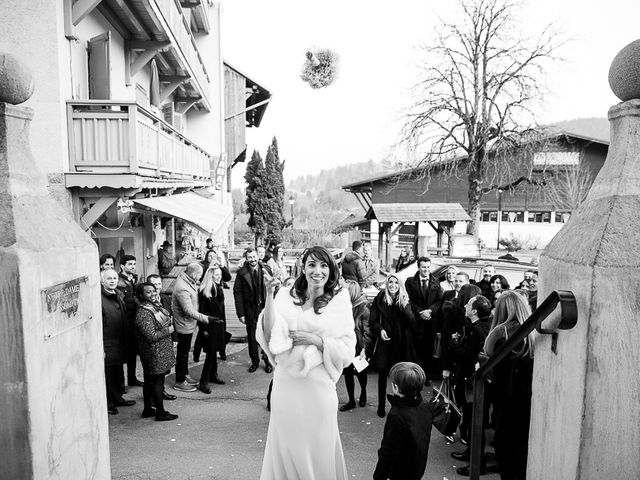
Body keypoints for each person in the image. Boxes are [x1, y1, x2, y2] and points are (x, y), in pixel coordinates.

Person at [256, 246, 356, 480]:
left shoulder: (339, 301)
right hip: (287, 387)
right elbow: (269, 335)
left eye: (323, 265)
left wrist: (318, 341)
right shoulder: (286, 295)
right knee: (286, 447)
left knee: (318, 449)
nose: (317, 271)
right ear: (303, 267)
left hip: (319, 390)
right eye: (311, 264)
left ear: (331, 270)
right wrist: (269, 298)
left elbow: (348, 349)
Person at [484, 291, 534, 480]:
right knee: (521, 455)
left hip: (509, 406)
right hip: (528, 403)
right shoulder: (532, 335)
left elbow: (499, 380)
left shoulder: (502, 336)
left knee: (507, 454)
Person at [450, 295, 497, 476]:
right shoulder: (480, 326)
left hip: (473, 385)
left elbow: (470, 356)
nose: (465, 305)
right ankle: (471, 454)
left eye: (469, 304)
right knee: (470, 420)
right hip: (472, 382)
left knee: (474, 422)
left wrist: (454, 345)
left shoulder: (478, 330)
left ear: (475, 311)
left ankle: (477, 463)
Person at [373, 362, 433, 480]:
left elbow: (389, 451)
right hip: (417, 467)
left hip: (400, 471)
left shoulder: (397, 415)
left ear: (395, 388)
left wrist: (379, 476)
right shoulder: (425, 405)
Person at [371, 273, 416, 418]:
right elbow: (373, 320)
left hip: (401, 342)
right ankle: (381, 406)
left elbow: (412, 321)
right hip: (385, 341)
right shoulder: (380, 298)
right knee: (383, 374)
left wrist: (403, 306)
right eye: (390, 282)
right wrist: (380, 330)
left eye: (396, 283)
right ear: (387, 283)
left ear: (400, 285)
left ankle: (398, 406)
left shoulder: (404, 299)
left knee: (399, 376)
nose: (393, 286)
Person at [134, 283, 178, 421]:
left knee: (149, 381)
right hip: (154, 353)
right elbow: (151, 335)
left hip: (159, 351)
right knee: (157, 382)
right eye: (148, 292)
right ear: (141, 296)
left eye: (153, 291)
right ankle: (160, 412)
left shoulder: (154, 306)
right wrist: (169, 330)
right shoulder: (143, 312)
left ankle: (148, 409)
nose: (152, 294)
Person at [171, 262, 213, 392]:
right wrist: (205, 318)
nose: (200, 277)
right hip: (184, 325)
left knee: (185, 351)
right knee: (183, 354)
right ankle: (179, 381)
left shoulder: (187, 280)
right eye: (199, 275)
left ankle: (185, 374)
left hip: (188, 324)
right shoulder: (182, 288)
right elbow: (188, 311)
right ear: (194, 274)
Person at [100, 269, 135, 415]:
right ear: (102, 281)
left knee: (117, 373)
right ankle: (108, 403)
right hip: (108, 343)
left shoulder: (118, 295)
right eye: (109, 278)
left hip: (119, 342)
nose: (113, 281)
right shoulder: (99, 299)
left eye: (114, 278)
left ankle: (117, 397)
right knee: (107, 375)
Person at [233, 247, 273, 373]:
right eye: (250, 257)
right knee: (252, 337)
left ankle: (267, 361)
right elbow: (237, 293)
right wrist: (241, 313)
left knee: (267, 336)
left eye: (254, 257)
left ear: (258, 256)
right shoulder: (241, 273)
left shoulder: (266, 269)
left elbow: (273, 288)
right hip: (250, 309)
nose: (252, 259)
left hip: (265, 308)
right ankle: (254, 362)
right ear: (246, 258)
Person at [404, 256, 443, 380]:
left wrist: (430, 311)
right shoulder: (410, 281)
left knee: (428, 349)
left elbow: (439, 300)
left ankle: (426, 375)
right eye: (423, 267)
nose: (426, 270)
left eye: (427, 267)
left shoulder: (436, 281)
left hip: (430, 321)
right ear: (418, 267)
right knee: (416, 349)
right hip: (416, 320)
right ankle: (415, 375)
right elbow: (410, 300)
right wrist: (421, 311)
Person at [339, 280, 374, 412]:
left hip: (359, 346)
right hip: (347, 344)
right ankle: (351, 400)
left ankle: (363, 391)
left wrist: (365, 348)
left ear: (351, 292)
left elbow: (367, 330)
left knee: (361, 372)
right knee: (347, 373)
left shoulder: (363, 307)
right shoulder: (343, 306)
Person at [197, 265, 232, 393]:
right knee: (210, 353)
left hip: (219, 325)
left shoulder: (217, 287)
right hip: (210, 326)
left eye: (220, 274)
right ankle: (203, 381)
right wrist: (204, 329)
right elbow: (201, 311)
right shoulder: (205, 290)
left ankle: (213, 375)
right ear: (210, 275)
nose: (219, 277)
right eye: (216, 274)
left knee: (215, 351)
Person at [146, 274, 177, 402]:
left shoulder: (165, 298)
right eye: (155, 285)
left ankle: (161, 391)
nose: (158, 287)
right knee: (154, 372)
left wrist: (175, 338)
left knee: (164, 369)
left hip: (166, 339)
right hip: (154, 341)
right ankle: (152, 397)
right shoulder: (146, 304)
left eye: (159, 284)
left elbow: (172, 319)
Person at [117, 254, 143, 388]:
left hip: (134, 319)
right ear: (122, 266)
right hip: (124, 321)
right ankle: (121, 384)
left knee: (133, 352)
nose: (133, 266)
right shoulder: (119, 282)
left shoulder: (135, 279)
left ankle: (132, 378)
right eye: (129, 264)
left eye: (134, 263)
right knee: (122, 354)